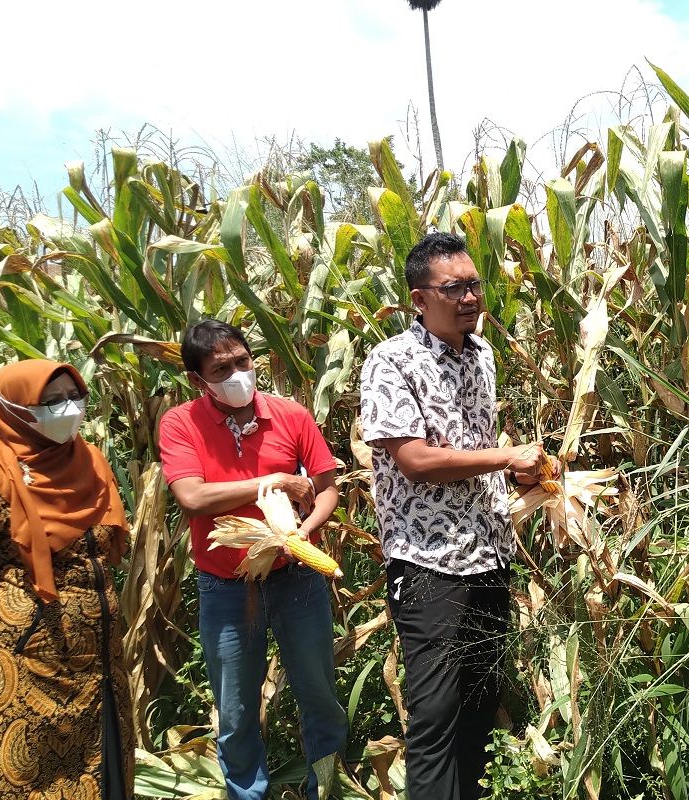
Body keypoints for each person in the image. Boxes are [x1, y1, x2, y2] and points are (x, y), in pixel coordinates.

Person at [359, 231, 550, 800]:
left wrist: (512, 472)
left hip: (487, 551)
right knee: (435, 713)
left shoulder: (482, 355)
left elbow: (472, 444)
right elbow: (415, 461)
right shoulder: (391, 361)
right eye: (454, 288)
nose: (470, 298)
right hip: (428, 560)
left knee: (479, 700)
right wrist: (503, 456)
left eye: (474, 285)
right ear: (419, 299)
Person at [158, 320, 347, 800]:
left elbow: (328, 490)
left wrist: (303, 533)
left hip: (296, 577)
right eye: (222, 369)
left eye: (243, 361)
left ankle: (323, 788)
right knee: (237, 708)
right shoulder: (181, 424)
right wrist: (278, 481)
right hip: (226, 585)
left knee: (319, 694)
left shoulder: (291, 415)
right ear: (198, 381)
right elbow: (194, 498)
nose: (238, 373)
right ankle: (247, 792)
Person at [0, 359, 133, 799]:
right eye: (51, 402)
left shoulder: (90, 461)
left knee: (100, 773)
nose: (68, 409)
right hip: (21, 668)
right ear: (13, 408)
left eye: (75, 397)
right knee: (21, 780)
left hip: (98, 666)